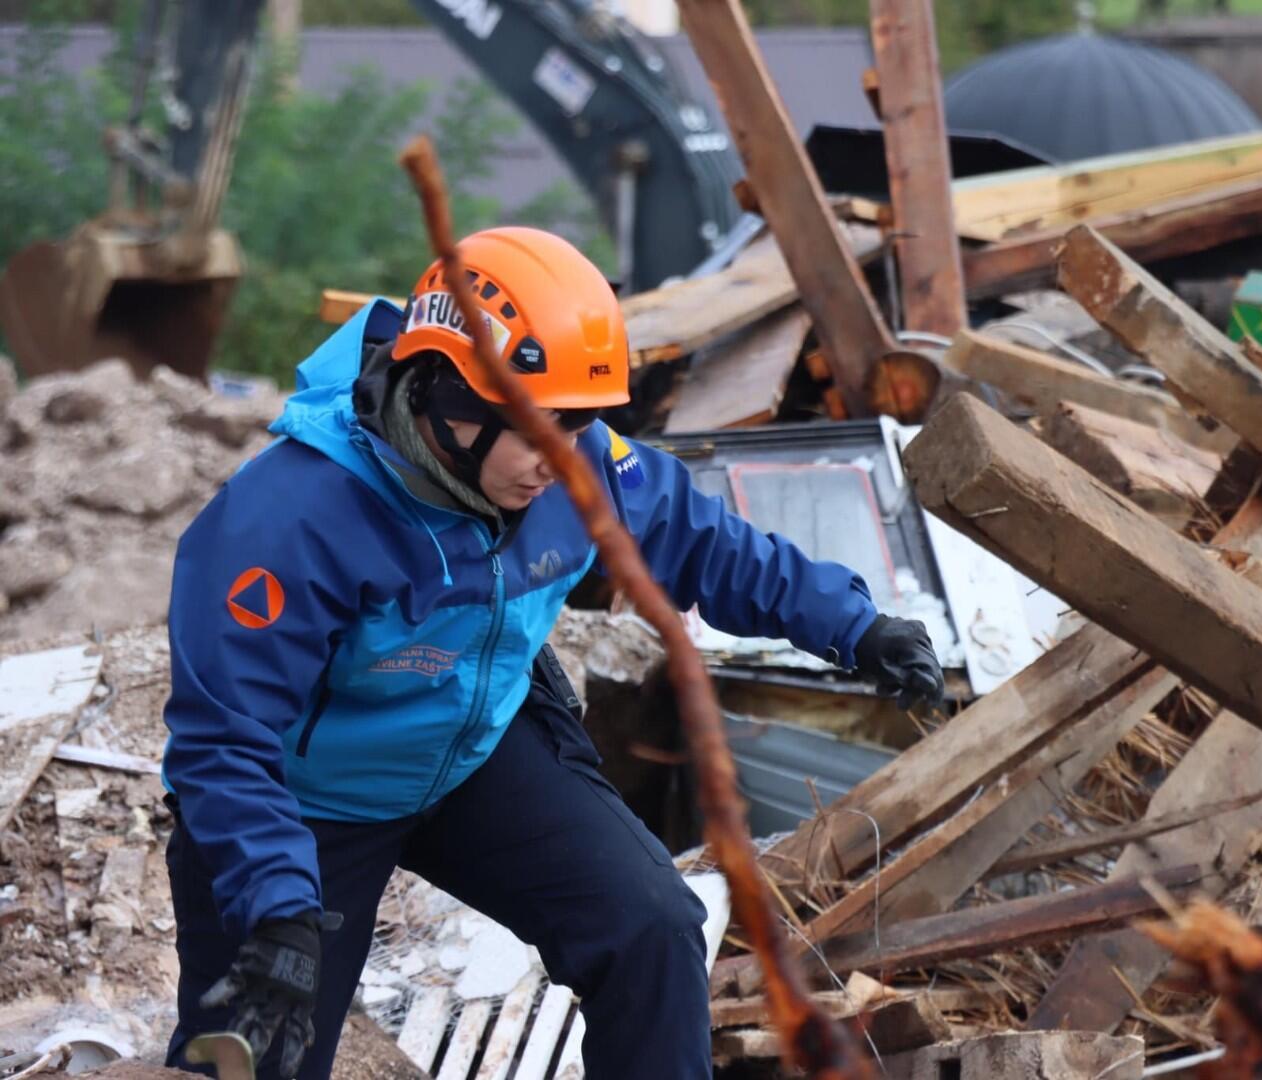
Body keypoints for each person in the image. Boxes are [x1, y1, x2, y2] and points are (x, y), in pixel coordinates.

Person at [160, 227, 944, 1079]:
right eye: (535, 429)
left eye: (576, 425)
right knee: (258, 1049)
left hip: (471, 758)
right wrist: (276, 904)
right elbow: (223, 737)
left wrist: (854, 625)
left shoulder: (574, 464)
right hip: (305, 801)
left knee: (651, 925)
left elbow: (700, 541)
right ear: (448, 395)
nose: (556, 460)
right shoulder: (289, 516)